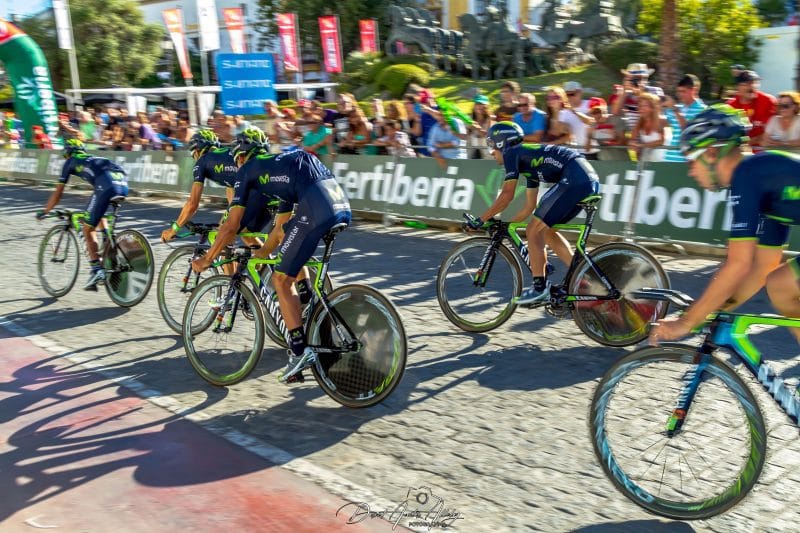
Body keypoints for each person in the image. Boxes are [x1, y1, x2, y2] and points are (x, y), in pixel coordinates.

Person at [190, 127, 352, 383]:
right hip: (339, 204)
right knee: (290, 247)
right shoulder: (280, 168)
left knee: (280, 279)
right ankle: (309, 303)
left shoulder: (246, 171)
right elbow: (279, 230)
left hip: (317, 206)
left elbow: (231, 227)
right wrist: (259, 255)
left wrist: (207, 259)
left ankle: (298, 352)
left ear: (241, 155)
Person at [650, 105, 800, 345]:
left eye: (691, 161)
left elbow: (738, 264)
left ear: (711, 153)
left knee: (783, 284)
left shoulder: (746, 176)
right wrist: (716, 311)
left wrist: (688, 322)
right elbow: (763, 266)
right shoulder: (759, 175)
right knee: (780, 284)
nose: (690, 172)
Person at [467, 122, 600, 304]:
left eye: (492, 146)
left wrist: (481, 220)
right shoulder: (528, 162)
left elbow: (507, 195)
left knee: (533, 230)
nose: (491, 152)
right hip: (586, 178)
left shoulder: (511, 153)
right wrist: (508, 225)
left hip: (575, 178)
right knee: (546, 231)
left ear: (501, 144)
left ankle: (539, 287)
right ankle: (582, 279)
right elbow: (529, 206)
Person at [36, 138, 129, 290]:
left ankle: (96, 270)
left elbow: (58, 194)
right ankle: (107, 242)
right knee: (97, 212)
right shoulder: (93, 158)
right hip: (123, 184)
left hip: (106, 185)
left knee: (87, 228)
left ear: (67, 152)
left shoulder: (70, 161)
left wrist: (45, 211)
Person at [726, 70, 776, 149]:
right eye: (747, 83)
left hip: (763, 151)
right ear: (738, 87)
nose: (752, 86)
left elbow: (775, 129)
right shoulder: (730, 106)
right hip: (738, 150)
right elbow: (727, 133)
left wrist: (752, 141)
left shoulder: (768, 101)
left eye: (755, 83)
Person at [663, 74, 707, 162]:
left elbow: (688, 131)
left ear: (693, 90)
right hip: (669, 159)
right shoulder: (675, 108)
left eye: (683, 91)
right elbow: (660, 125)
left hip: (689, 162)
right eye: (678, 91)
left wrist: (675, 110)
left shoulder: (703, 110)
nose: (680, 95)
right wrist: (656, 106)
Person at [629, 92, 669, 162]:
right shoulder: (639, 122)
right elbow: (633, 138)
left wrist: (642, 145)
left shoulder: (662, 120)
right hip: (646, 159)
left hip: (662, 160)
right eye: (640, 106)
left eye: (644, 106)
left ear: (653, 108)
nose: (641, 108)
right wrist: (633, 143)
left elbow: (662, 141)